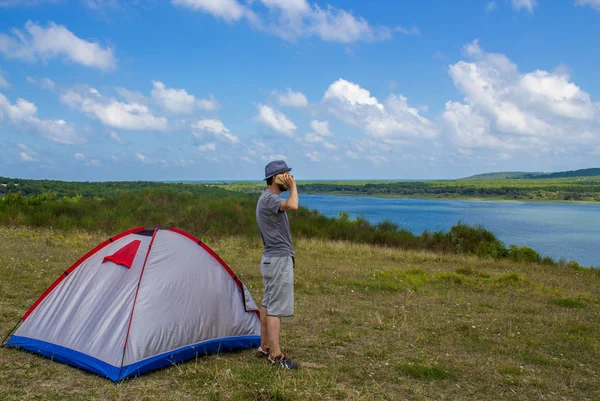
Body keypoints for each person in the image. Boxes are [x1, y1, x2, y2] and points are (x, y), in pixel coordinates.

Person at [255, 160, 299, 370]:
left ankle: (264, 346)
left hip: (271, 258)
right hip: (278, 259)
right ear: (274, 178)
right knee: (275, 308)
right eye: (285, 174)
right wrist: (293, 187)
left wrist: (289, 185)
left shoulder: (267, 198)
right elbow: (293, 205)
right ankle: (276, 354)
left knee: (268, 303)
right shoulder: (270, 198)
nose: (288, 177)